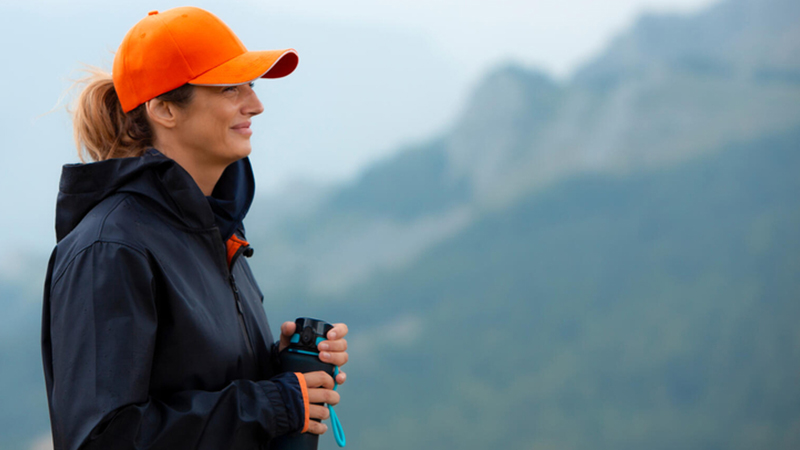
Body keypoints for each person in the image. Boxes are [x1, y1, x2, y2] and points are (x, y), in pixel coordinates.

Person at [40, 7, 349, 450]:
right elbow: (101, 438)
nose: (256, 105)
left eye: (252, 85)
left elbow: (197, 386)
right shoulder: (111, 247)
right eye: (229, 88)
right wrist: (271, 404)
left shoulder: (215, 233)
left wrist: (282, 372)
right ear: (164, 108)